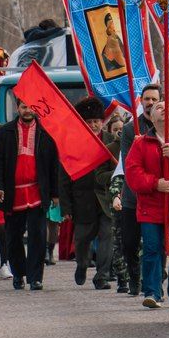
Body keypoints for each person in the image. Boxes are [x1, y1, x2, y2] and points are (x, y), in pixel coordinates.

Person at [0, 98, 61, 291]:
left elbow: (54, 165)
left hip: (38, 192)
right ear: (17, 108)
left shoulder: (46, 133)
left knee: (38, 236)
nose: (27, 110)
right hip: (13, 194)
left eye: (30, 107)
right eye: (23, 107)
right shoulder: (4, 133)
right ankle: (19, 274)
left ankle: (35, 277)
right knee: (13, 237)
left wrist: (55, 193)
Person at [125, 100, 169, 309]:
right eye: (159, 108)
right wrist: (154, 184)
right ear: (151, 117)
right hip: (151, 206)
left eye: (168, 107)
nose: (164, 110)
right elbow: (133, 173)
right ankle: (152, 291)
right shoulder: (141, 143)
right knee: (152, 249)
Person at [59, 97, 118, 290]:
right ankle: (82, 264)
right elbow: (64, 177)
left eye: (96, 121)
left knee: (107, 235)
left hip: (107, 198)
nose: (93, 125)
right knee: (83, 239)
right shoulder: (73, 144)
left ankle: (102, 275)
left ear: (102, 121)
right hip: (82, 201)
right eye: (89, 121)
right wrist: (66, 207)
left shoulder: (112, 141)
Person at [114, 84, 163, 296]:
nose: (150, 103)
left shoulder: (167, 128)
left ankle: (155, 282)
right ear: (141, 101)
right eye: (147, 99)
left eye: (154, 99)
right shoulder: (129, 129)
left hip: (158, 196)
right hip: (133, 196)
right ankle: (134, 276)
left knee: (155, 244)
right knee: (130, 242)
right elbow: (128, 165)